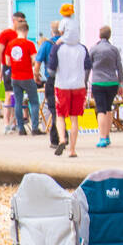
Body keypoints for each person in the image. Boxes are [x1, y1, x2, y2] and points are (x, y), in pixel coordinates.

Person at [50, 21, 91, 158]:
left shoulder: (58, 48)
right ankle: (72, 150)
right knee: (74, 119)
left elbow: (51, 69)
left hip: (62, 85)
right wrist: (83, 82)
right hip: (79, 86)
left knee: (60, 115)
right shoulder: (82, 48)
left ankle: (62, 139)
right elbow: (87, 67)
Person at [89, 25, 123, 149]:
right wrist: (121, 83)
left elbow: (88, 67)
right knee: (108, 108)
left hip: (98, 82)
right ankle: (107, 135)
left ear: (100, 35)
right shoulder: (114, 49)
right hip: (112, 83)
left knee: (101, 110)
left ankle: (102, 137)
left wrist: (86, 84)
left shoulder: (93, 49)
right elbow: (119, 67)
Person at [4, 21, 41, 137]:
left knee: (18, 102)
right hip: (27, 76)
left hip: (15, 77)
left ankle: (21, 128)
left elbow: (7, 62)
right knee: (34, 101)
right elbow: (35, 60)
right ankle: (34, 128)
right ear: (26, 31)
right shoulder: (29, 44)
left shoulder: (10, 44)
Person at [0, 11, 26, 133]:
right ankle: (7, 122)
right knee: (9, 95)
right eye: (19, 21)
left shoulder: (22, 35)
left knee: (19, 95)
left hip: (21, 68)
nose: (21, 24)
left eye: (23, 22)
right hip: (8, 67)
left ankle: (17, 121)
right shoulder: (6, 34)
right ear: (14, 20)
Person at [34, 20, 62, 148]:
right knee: (65, 109)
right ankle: (65, 135)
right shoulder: (67, 44)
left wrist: (36, 75)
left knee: (53, 108)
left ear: (51, 31)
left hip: (51, 79)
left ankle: (56, 138)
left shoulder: (46, 45)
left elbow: (37, 63)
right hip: (67, 80)